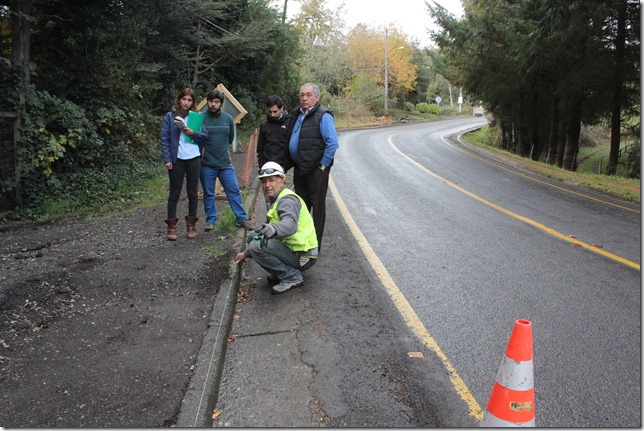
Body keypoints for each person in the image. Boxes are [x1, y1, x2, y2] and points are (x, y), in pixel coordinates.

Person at [235, 162, 318, 295]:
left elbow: (290, 224)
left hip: (304, 256)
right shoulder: (278, 198)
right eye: (264, 181)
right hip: (295, 249)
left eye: (271, 180)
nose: (267, 185)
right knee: (253, 236)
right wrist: (246, 254)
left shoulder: (287, 201)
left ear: (282, 181)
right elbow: (262, 234)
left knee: (256, 246)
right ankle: (282, 269)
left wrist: (273, 228)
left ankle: (292, 276)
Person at [287, 83, 338, 249]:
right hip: (300, 168)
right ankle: (303, 242)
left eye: (308, 95)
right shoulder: (297, 114)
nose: (304, 98)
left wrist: (323, 166)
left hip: (317, 170)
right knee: (301, 207)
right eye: (302, 95)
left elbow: (332, 143)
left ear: (317, 97)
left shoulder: (323, 115)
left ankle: (315, 245)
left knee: (317, 208)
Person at [200, 89, 254, 231]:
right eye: (210, 101)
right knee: (209, 193)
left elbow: (230, 138)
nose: (213, 104)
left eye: (216, 102)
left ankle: (241, 219)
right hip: (206, 164)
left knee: (233, 190)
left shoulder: (228, 119)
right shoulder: (201, 118)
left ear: (221, 104)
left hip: (225, 164)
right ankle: (211, 220)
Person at [161, 87, 208, 241]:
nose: (186, 103)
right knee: (174, 193)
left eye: (189, 100)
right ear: (179, 100)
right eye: (184, 99)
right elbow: (165, 139)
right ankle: (171, 227)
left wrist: (192, 133)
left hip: (194, 158)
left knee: (193, 192)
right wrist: (167, 159)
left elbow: (205, 136)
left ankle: (191, 226)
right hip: (177, 159)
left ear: (193, 102)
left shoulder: (196, 117)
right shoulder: (169, 117)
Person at [257, 95, 293, 172]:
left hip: (284, 167)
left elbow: (292, 146)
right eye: (270, 112)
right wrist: (262, 165)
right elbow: (260, 147)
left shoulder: (290, 123)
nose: (272, 115)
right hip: (266, 166)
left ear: (281, 108)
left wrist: (286, 166)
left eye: (275, 111)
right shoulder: (264, 125)